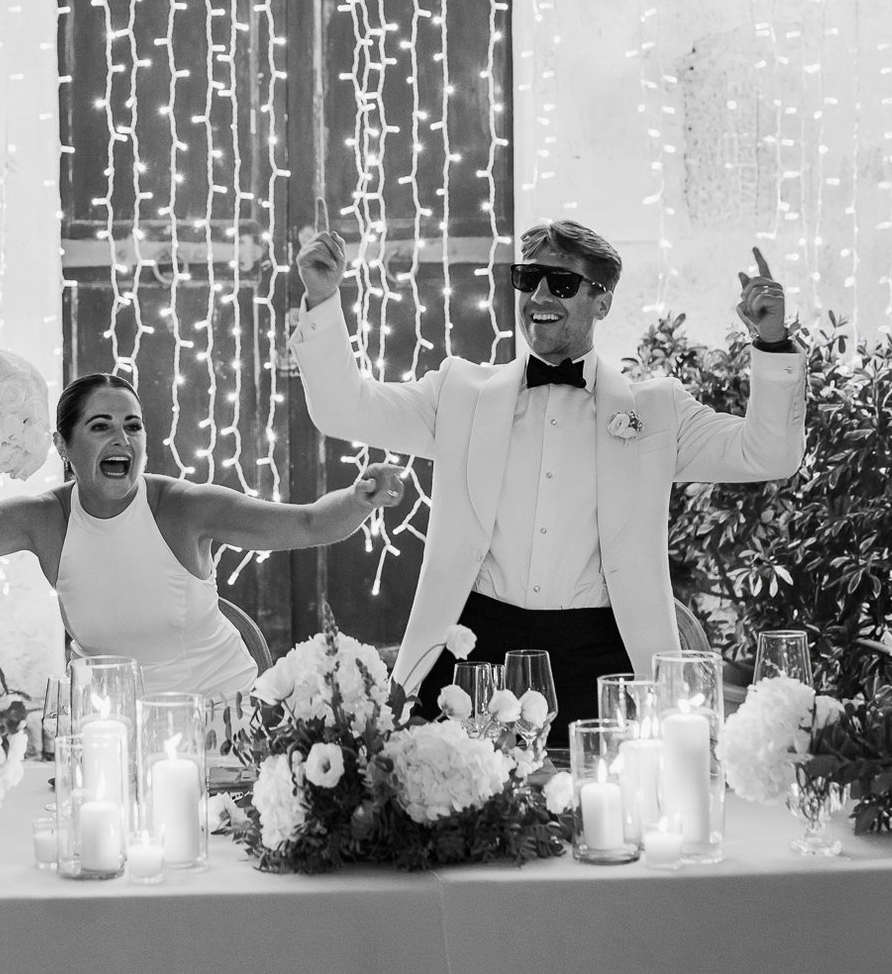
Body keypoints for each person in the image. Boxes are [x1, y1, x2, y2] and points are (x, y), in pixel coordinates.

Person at [288, 220, 807, 732]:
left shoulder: (658, 410)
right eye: (527, 278)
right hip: (473, 651)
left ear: (602, 302)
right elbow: (346, 411)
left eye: (560, 283)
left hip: (604, 657)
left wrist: (772, 342)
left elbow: (767, 455)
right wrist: (323, 300)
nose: (539, 295)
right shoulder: (459, 392)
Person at [0, 373, 411, 700]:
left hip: (221, 724)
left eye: (133, 426)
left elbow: (309, 523)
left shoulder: (183, 508)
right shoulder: (44, 520)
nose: (122, 439)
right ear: (63, 444)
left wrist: (361, 496)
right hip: (110, 736)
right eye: (100, 427)